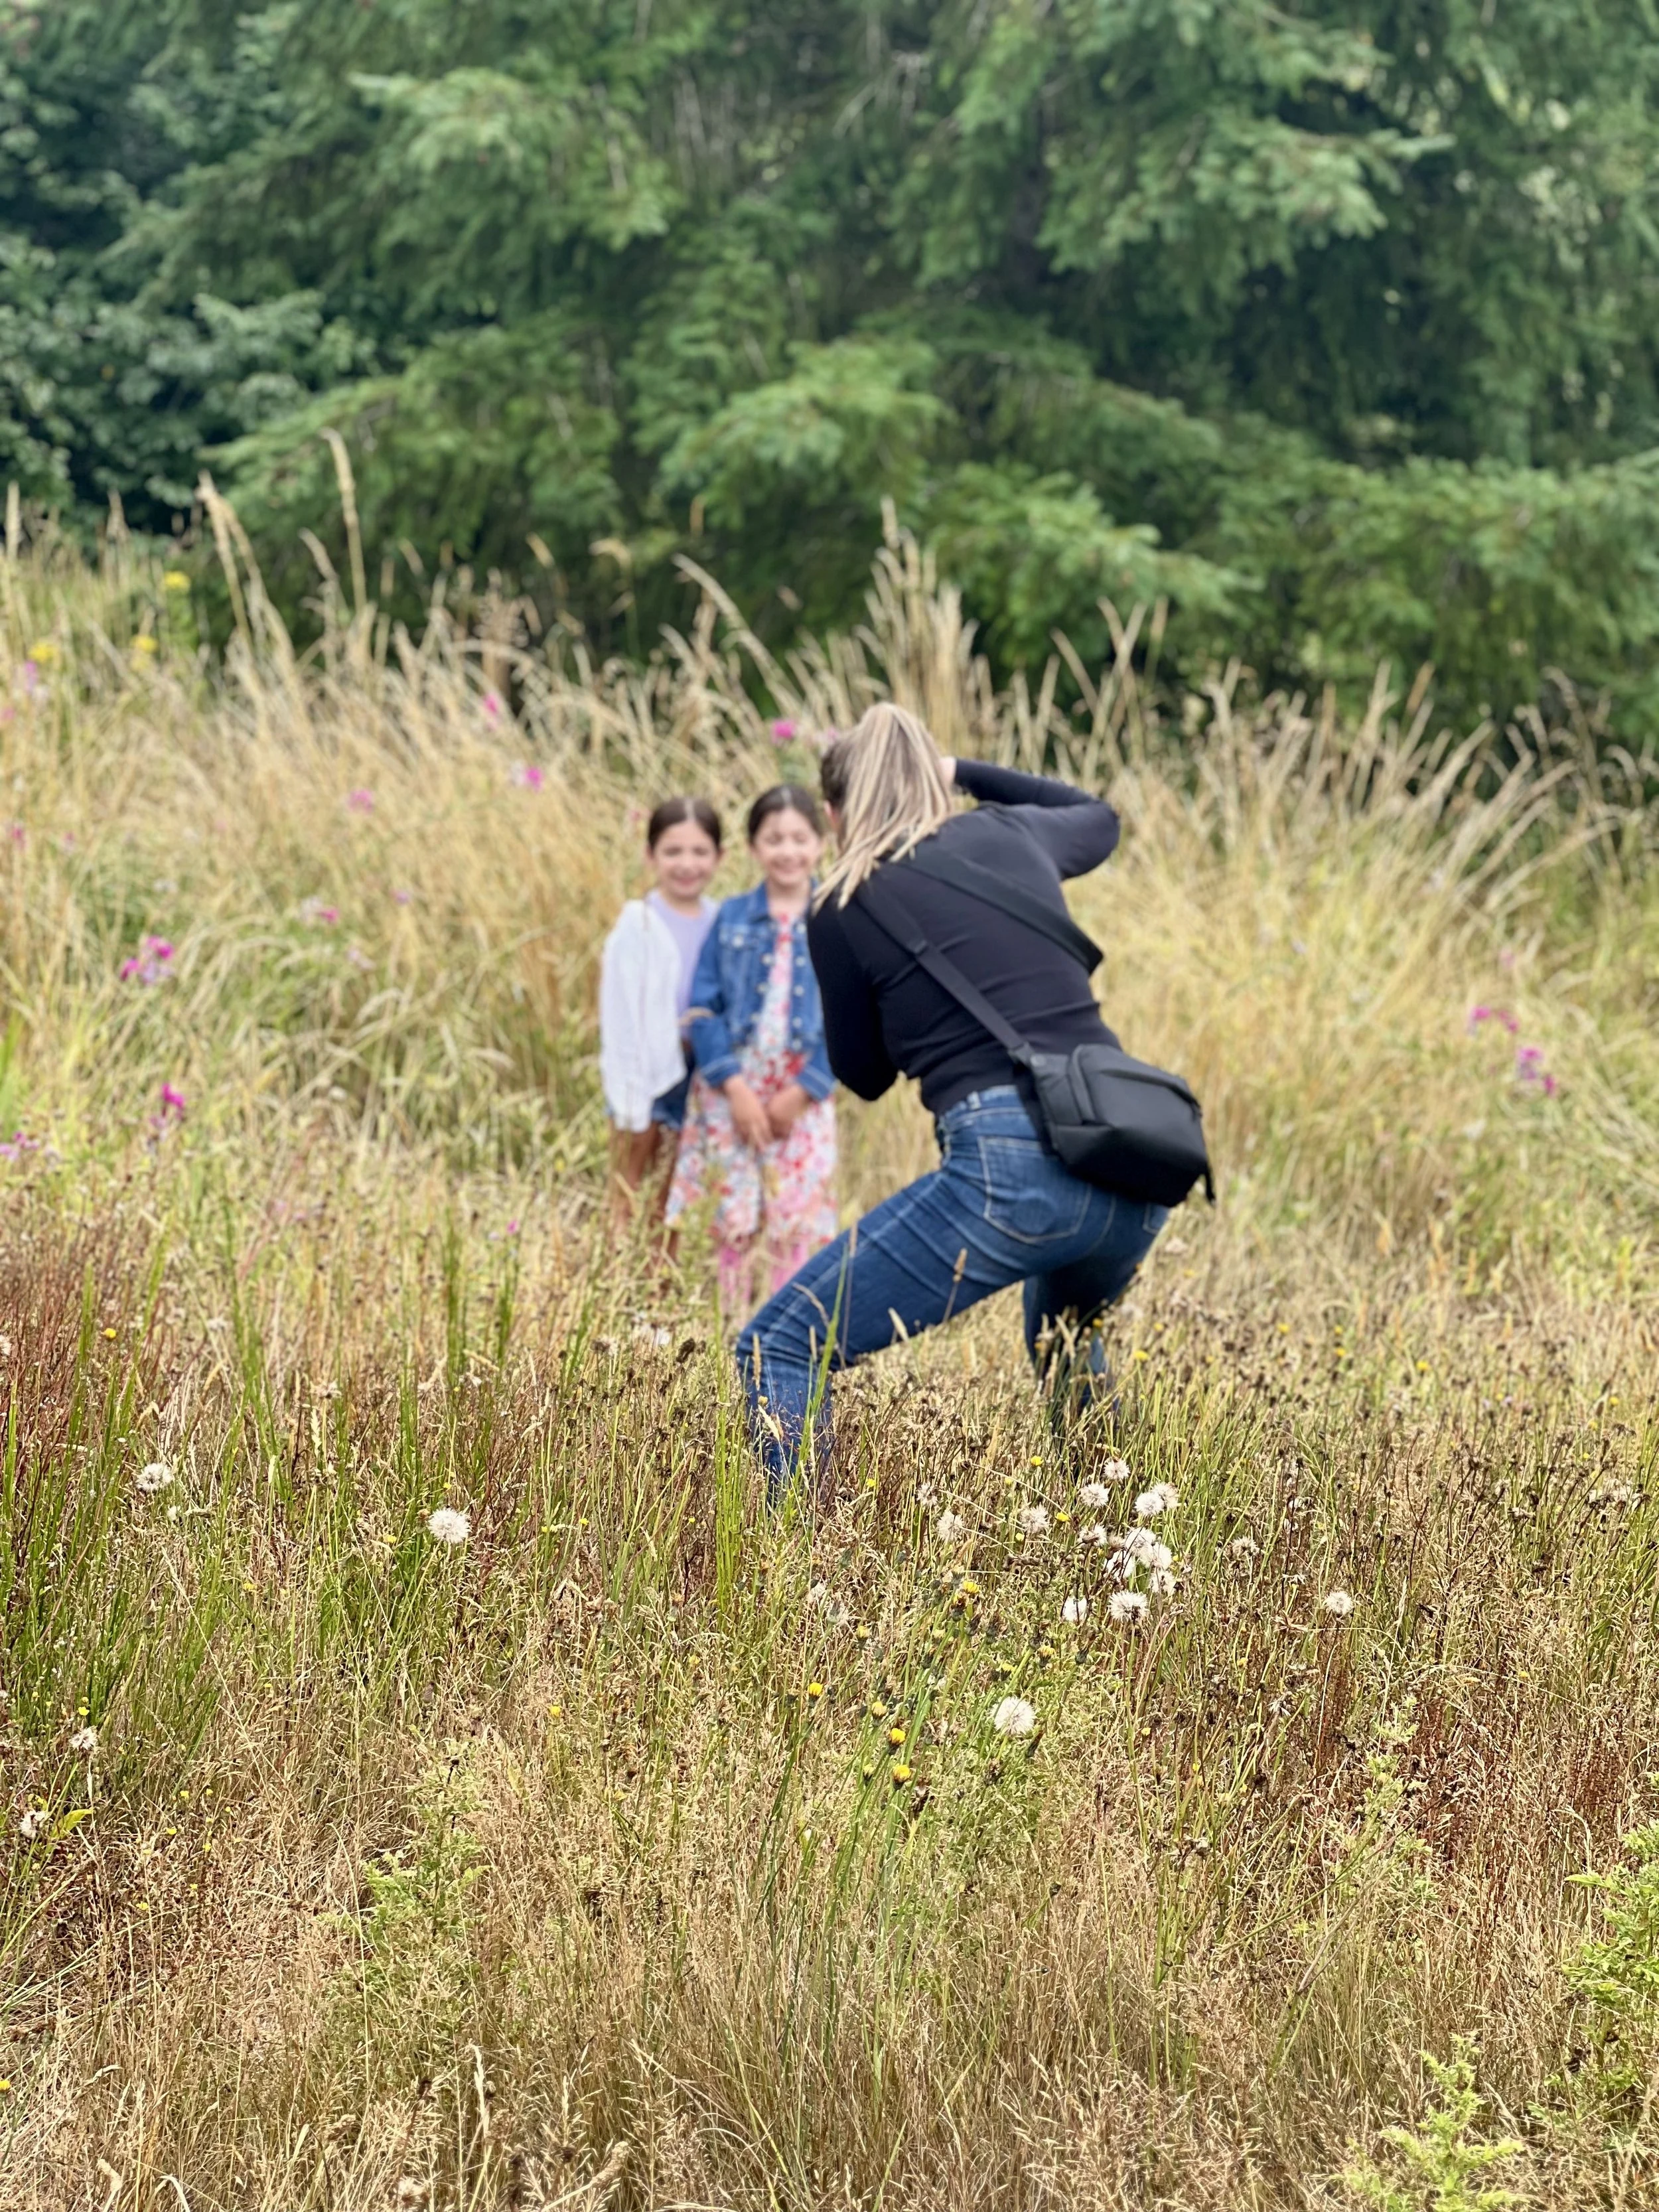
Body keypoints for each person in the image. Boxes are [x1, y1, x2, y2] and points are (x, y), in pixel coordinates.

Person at [735, 703, 1168, 1496]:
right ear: (929, 782)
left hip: (1013, 1166)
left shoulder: (839, 902)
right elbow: (1095, 816)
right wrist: (962, 773)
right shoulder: (1013, 834)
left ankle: (784, 1577)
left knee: (781, 1347)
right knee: (1066, 1339)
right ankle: (1114, 1538)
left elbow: (861, 1074)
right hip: (1133, 1161)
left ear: (834, 813)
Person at [668, 784, 837, 1310]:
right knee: (731, 1214)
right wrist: (735, 1087)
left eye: (799, 838)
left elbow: (853, 1016)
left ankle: (786, 1337)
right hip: (730, 1088)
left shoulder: (839, 916)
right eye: (773, 839)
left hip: (800, 1090)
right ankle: (729, 1328)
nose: (787, 850)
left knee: (797, 1218)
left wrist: (806, 1089)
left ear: (821, 842)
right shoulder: (733, 917)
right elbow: (702, 1008)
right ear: (752, 848)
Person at [597, 796, 723, 1224]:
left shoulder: (721, 920)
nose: (686, 863)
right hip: (645, 1068)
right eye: (673, 851)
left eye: (699, 851)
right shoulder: (640, 922)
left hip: (696, 1068)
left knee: (674, 1189)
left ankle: (662, 1279)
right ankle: (618, 1276)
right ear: (651, 855)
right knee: (630, 1182)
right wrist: (629, 1086)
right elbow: (621, 1011)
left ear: (719, 857)